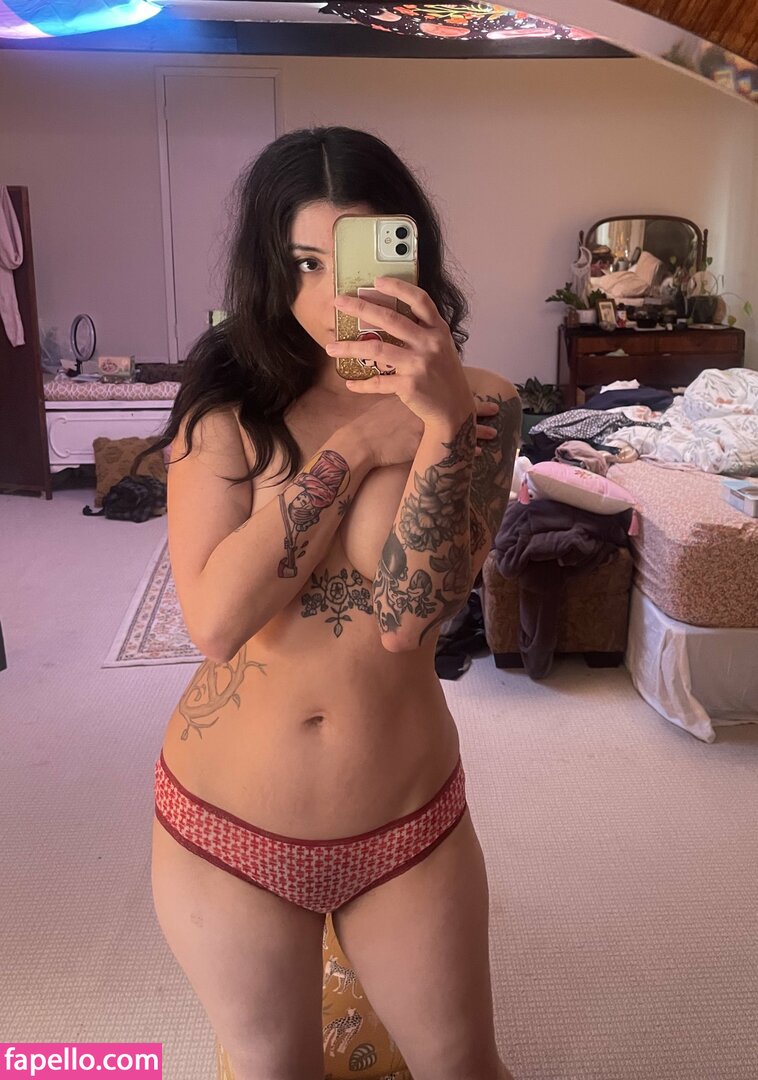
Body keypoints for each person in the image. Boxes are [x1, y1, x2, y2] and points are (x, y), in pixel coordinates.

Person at [146, 126, 521, 1080]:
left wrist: (440, 423)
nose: (330, 297)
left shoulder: (480, 404)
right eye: (304, 262)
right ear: (271, 270)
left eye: (351, 257)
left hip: (407, 821)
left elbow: (411, 618)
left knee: (464, 1065)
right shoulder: (229, 409)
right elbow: (215, 623)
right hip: (226, 825)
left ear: (410, 254)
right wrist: (354, 448)